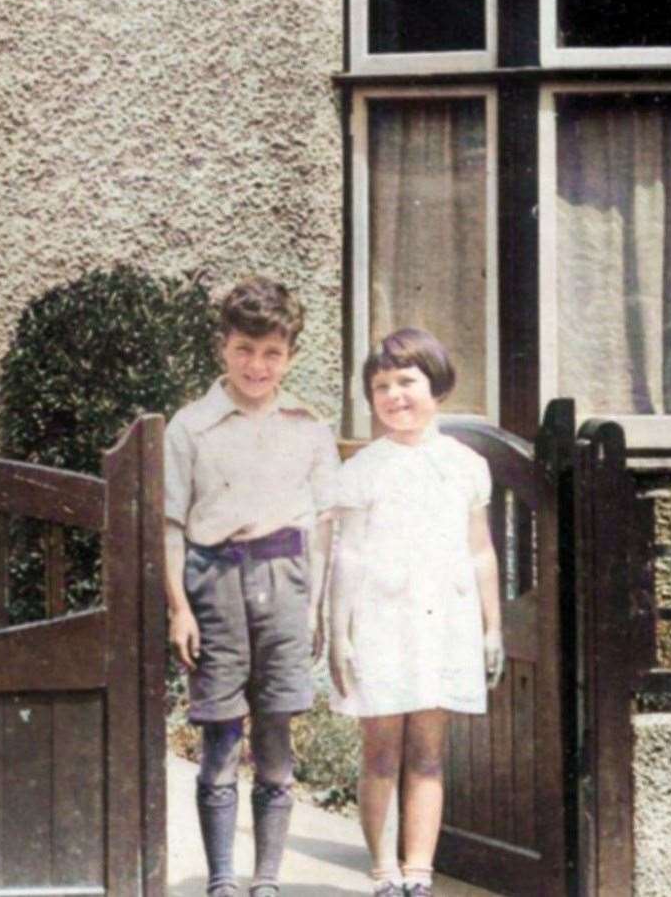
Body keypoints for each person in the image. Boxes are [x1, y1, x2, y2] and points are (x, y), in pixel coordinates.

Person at [164, 275, 340, 897]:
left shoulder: (308, 428)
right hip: (214, 582)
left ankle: (266, 879)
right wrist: (179, 608)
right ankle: (221, 880)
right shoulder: (190, 428)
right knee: (219, 733)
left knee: (275, 733)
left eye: (271, 353)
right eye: (244, 349)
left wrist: (317, 606)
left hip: (286, 582)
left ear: (289, 355)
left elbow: (324, 527)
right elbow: (171, 525)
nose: (256, 365)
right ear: (223, 348)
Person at [326, 328, 505, 897]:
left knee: (428, 754)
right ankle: (383, 871)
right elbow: (347, 555)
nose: (394, 395)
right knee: (381, 751)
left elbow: (480, 549)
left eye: (407, 381)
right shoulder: (361, 471)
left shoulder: (464, 465)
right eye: (381, 385)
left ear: (437, 387)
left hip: (443, 623)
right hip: (381, 622)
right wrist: (338, 633)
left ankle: (420, 873)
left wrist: (492, 625)